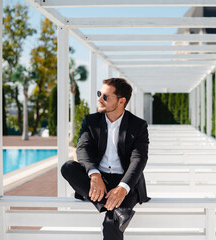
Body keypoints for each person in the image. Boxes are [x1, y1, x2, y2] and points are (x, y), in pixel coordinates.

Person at [61, 78, 150, 240]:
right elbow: (82, 149)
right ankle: (116, 210)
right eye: (99, 94)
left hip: (126, 183)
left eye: (105, 97)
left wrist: (122, 188)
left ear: (121, 101)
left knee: (111, 224)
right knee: (68, 167)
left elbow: (139, 159)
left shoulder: (138, 125)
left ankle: (114, 211)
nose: (99, 99)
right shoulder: (91, 121)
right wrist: (94, 175)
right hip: (98, 179)